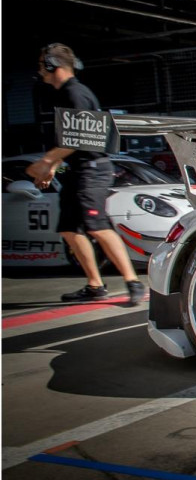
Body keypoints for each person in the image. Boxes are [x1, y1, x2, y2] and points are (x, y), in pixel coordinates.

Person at [26, 43, 146, 304]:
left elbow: (79, 139)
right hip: (78, 172)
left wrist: (46, 161)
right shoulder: (66, 95)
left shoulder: (75, 94)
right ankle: (94, 284)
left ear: (51, 64)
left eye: (41, 65)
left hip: (92, 173)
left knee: (97, 226)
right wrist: (53, 167)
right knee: (69, 229)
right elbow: (70, 139)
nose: (39, 70)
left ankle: (133, 282)